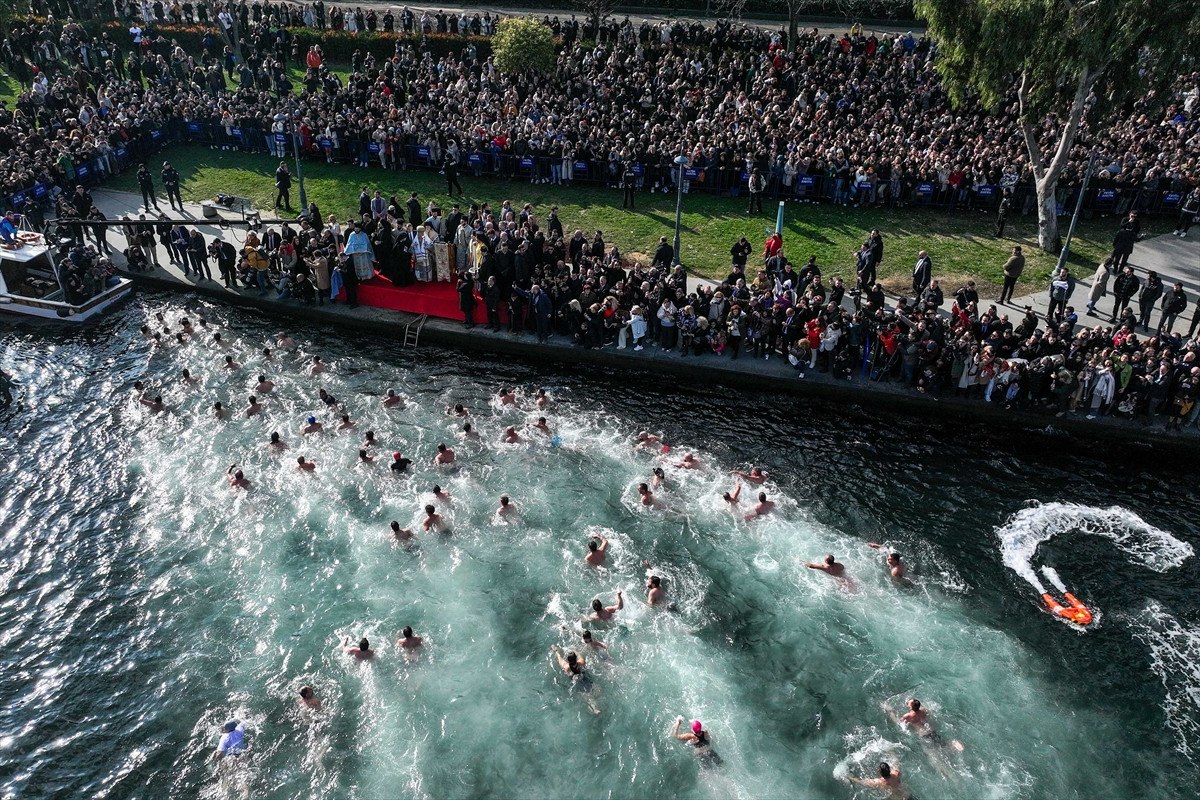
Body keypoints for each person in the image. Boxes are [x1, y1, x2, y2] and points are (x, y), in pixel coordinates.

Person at [883, 698, 964, 751]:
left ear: (911, 707)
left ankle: (952, 745)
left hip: (924, 735)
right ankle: (953, 744)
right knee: (941, 744)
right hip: (931, 730)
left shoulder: (908, 716)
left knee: (935, 750)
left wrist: (890, 711)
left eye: (909, 703)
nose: (908, 702)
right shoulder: (923, 710)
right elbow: (928, 711)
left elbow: (899, 722)